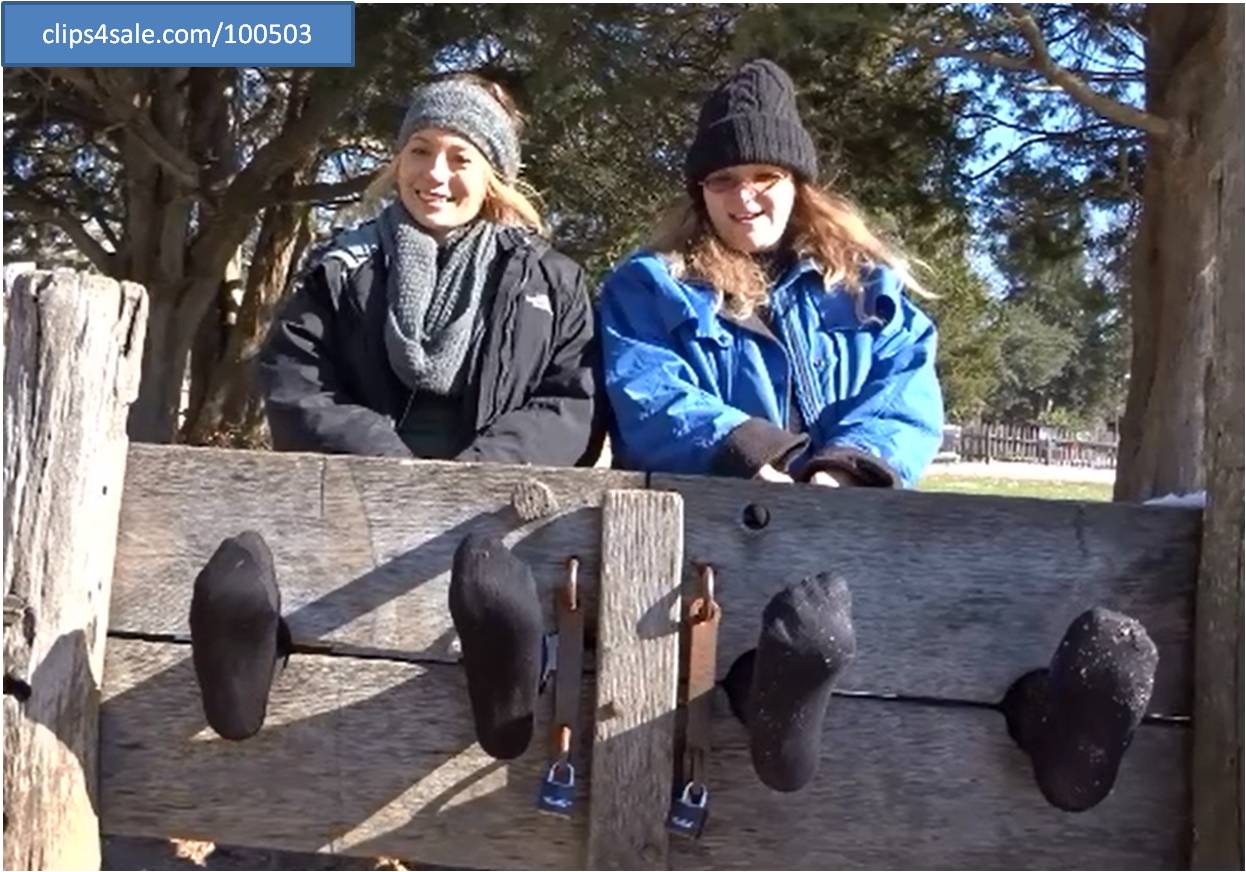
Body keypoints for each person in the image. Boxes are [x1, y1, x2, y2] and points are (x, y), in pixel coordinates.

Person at [599, 60, 1157, 811]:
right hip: (719, 535)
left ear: (798, 181)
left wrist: (844, 471)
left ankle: (1046, 724)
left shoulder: (866, 289)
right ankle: (768, 707)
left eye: (764, 173)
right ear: (700, 192)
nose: (745, 196)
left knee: (927, 625)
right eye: (724, 179)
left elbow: (905, 390)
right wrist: (752, 449)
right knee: (784, 646)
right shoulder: (651, 285)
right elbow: (647, 389)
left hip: (858, 528)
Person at [188, 75, 597, 763]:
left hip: (494, 518)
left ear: (493, 174)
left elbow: (574, 399)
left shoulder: (549, 283)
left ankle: (508, 693)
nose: (434, 174)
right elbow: (293, 379)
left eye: (459, 157)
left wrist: (481, 474)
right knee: (262, 589)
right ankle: (253, 675)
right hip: (357, 505)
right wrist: (385, 463)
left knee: (497, 599)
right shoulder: (343, 266)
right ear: (397, 161)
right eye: (419, 150)